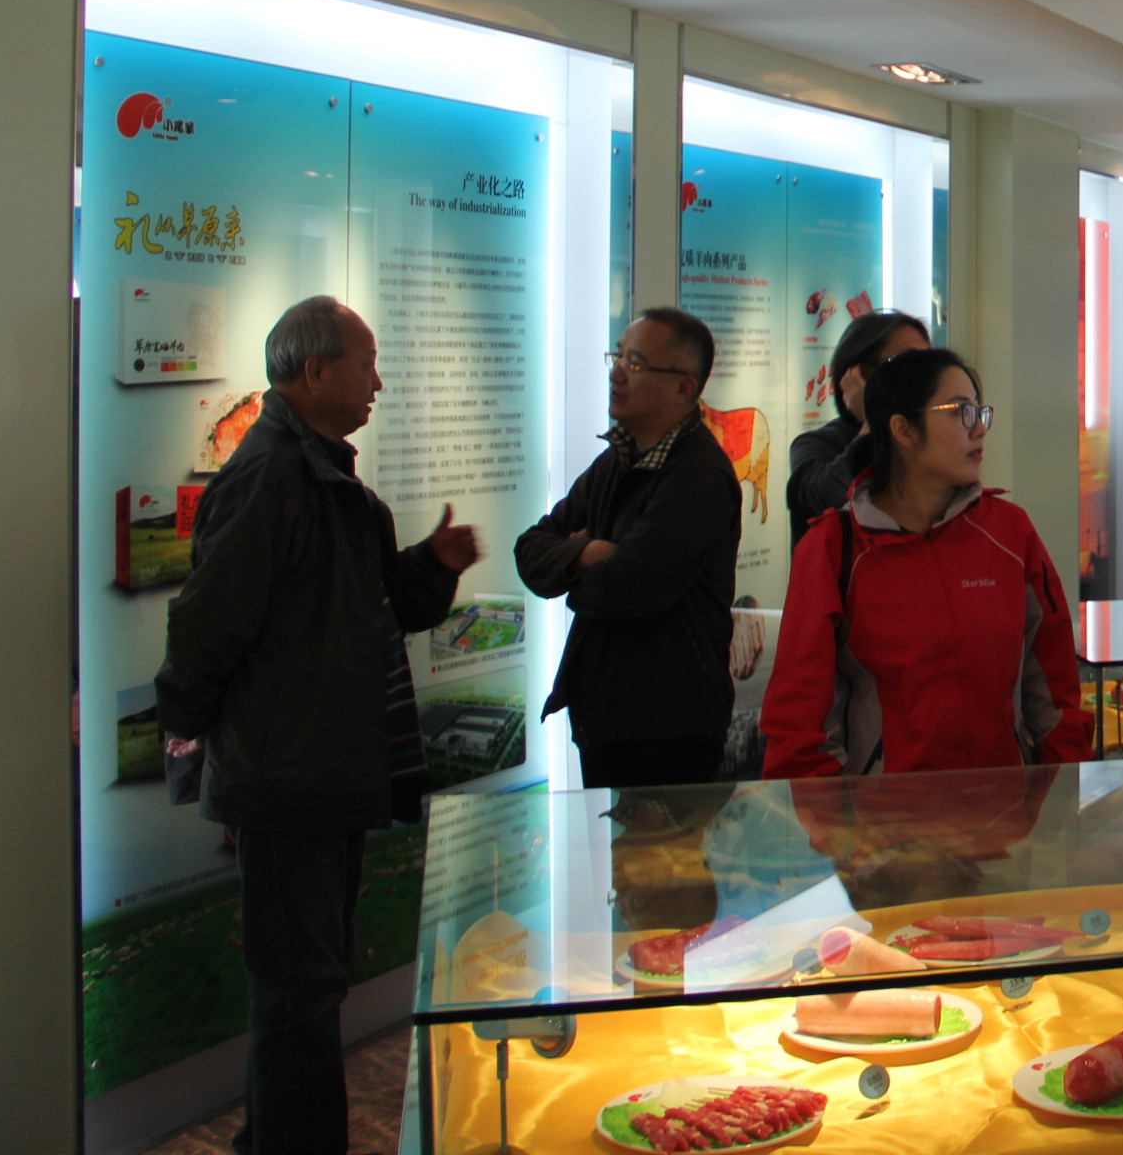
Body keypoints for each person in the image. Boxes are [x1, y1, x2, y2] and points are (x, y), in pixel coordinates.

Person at [155, 296, 480, 1155]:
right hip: (286, 779)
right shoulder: (270, 480)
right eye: (366, 364)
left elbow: (375, 605)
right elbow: (207, 625)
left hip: (322, 772)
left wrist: (432, 566)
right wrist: (189, 725)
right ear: (314, 370)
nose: (378, 382)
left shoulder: (326, 479)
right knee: (298, 998)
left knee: (306, 991)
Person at [761, 347, 1091, 776]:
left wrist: (1063, 795)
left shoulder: (1009, 532)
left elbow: (1054, 688)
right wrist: (828, 815)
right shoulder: (834, 547)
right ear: (903, 429)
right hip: (883, 811)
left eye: (980, 412)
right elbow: (798, 720)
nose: (979, 429)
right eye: (961, 412)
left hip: (1002, 806)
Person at [516, 307, 740, 789]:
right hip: (606, 719)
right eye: (616, 357)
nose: (616, 373)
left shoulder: (699, 477)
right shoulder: (616, 460)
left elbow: (629, 589)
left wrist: (580, 570)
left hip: (669, 728)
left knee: (668, 843)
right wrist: (587, 554)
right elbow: (529, 550)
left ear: (683, 387)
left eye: (635, 363)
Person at [786, 309, 930, 545]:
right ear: (861, 375)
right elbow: (827, 501)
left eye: (929, 365)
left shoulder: (927, 438)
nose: (925, 378)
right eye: (909, 364)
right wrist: (874, 416)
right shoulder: (816, 444)